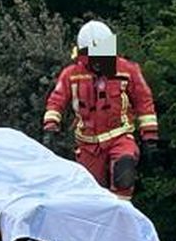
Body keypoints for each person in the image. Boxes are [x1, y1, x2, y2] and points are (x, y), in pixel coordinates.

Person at [42, 20, 159, 199]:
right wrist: (51, 126)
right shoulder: (71, 74)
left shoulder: (127, 70)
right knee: (90, 193)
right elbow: (56, 101)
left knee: (124, 173)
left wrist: (149, 137)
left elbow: (144, 102)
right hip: (87, 143)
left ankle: (122, 215)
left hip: (119, 135)